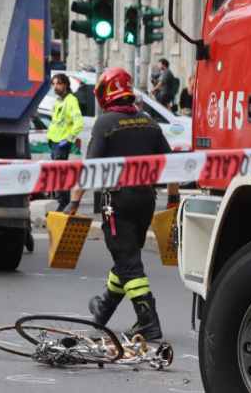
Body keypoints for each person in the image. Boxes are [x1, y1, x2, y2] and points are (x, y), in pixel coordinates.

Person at [64, 67, 180, 341]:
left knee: (129, 263)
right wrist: (173, 200)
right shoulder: (149, 122)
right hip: (146, 201)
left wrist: (73, 203)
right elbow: (173, 166)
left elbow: (89, 169)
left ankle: (148, 321)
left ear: (106, 93)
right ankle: (102, 309)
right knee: (127, 257)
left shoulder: (105, 123)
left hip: (118, 202)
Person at [47, 73, 84, 212]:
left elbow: (78, 123)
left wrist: (68, 139)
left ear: (66, 85)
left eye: (59, 84)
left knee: (61, 175)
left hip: (62, 144)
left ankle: (63, 204)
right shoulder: (58, 101)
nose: (55, 87)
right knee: (57, 175)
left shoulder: (71, 100)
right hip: (55, 143)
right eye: (54, 84)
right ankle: (61, 203)